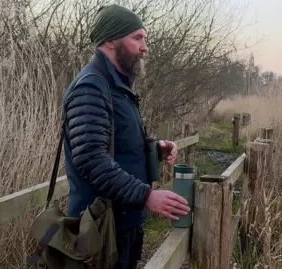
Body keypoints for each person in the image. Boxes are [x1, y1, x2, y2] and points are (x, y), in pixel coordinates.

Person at [61, 4, 190, 269]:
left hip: (123, 223)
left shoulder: (118, 86)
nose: (145, 47)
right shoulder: (91, 87)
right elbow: (90, 159)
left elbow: (115, 144)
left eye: (145, 38)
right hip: (99, 229)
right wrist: (146, 196)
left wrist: (153, 148)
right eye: (137, 38)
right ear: (111, 40)